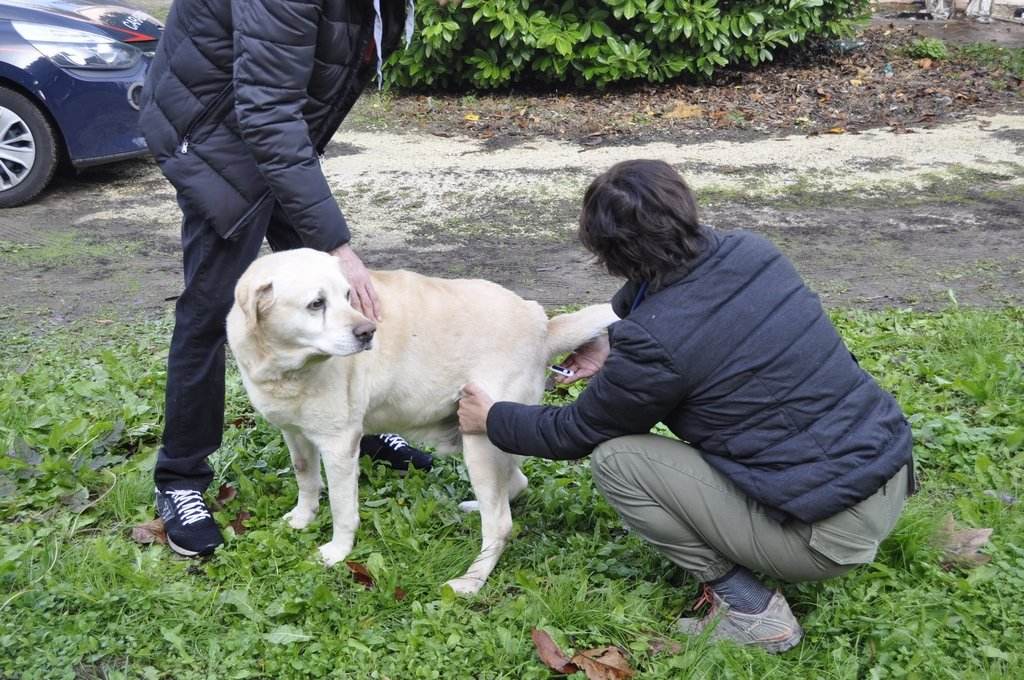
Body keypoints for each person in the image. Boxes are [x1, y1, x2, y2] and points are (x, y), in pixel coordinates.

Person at [457, 159, 915, 653]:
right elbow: (685, 311)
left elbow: (576, 433)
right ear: (683, 207)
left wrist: (493, 417)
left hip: (825, 538)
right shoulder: (751, 252)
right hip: (890, 472)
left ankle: (754, 614)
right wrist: (615, 340)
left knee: (619, 461)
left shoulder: (656, 343)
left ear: (609, 255)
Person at [139, 0, 432, 559]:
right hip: (215, 140)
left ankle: (356, 427)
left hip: (277, 143)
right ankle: (180, 479)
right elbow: (267, 110)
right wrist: (336, 245)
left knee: (330, 303)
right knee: (212, 309)